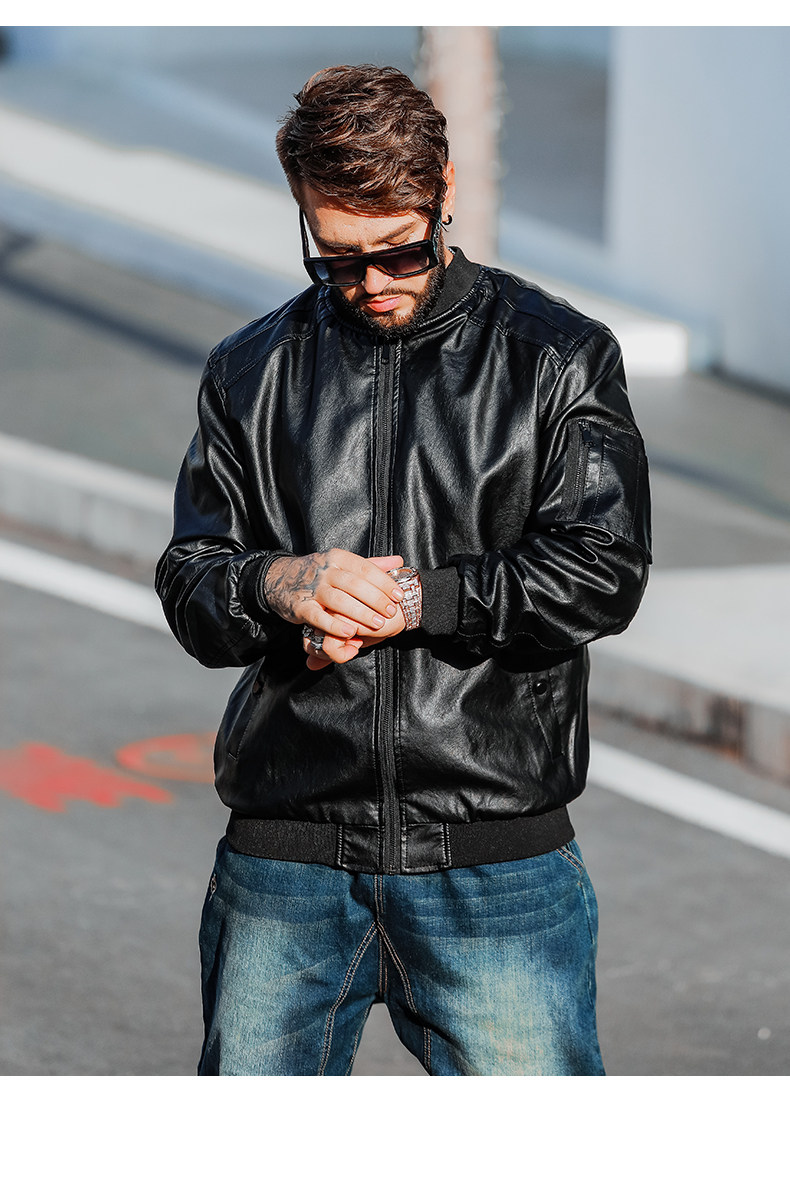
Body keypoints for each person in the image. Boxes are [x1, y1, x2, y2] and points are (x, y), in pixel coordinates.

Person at [155, 63, 651, 1077]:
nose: (372, 282)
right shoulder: (250, 370)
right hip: (286, 853)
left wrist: (423, 599)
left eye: (400, 249)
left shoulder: (557, 356)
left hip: (493, 856)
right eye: (336, 257)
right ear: (302, 212)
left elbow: (603, 569)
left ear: (444, 192)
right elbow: (193, 580)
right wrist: (280, 585)